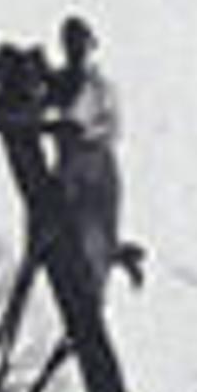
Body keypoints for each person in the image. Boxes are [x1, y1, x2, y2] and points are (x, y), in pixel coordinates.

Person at [41, 15, 143, 294]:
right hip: (67, 159)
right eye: (68, 42)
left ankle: (111, 255)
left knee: (100, 223)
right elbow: (44, 105)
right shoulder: (60, 80)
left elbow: (110, 126)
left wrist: (78, 131)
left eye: (78, 43)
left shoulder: (101, 87)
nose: (73, 48)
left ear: (88, 47)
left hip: (94, 161)